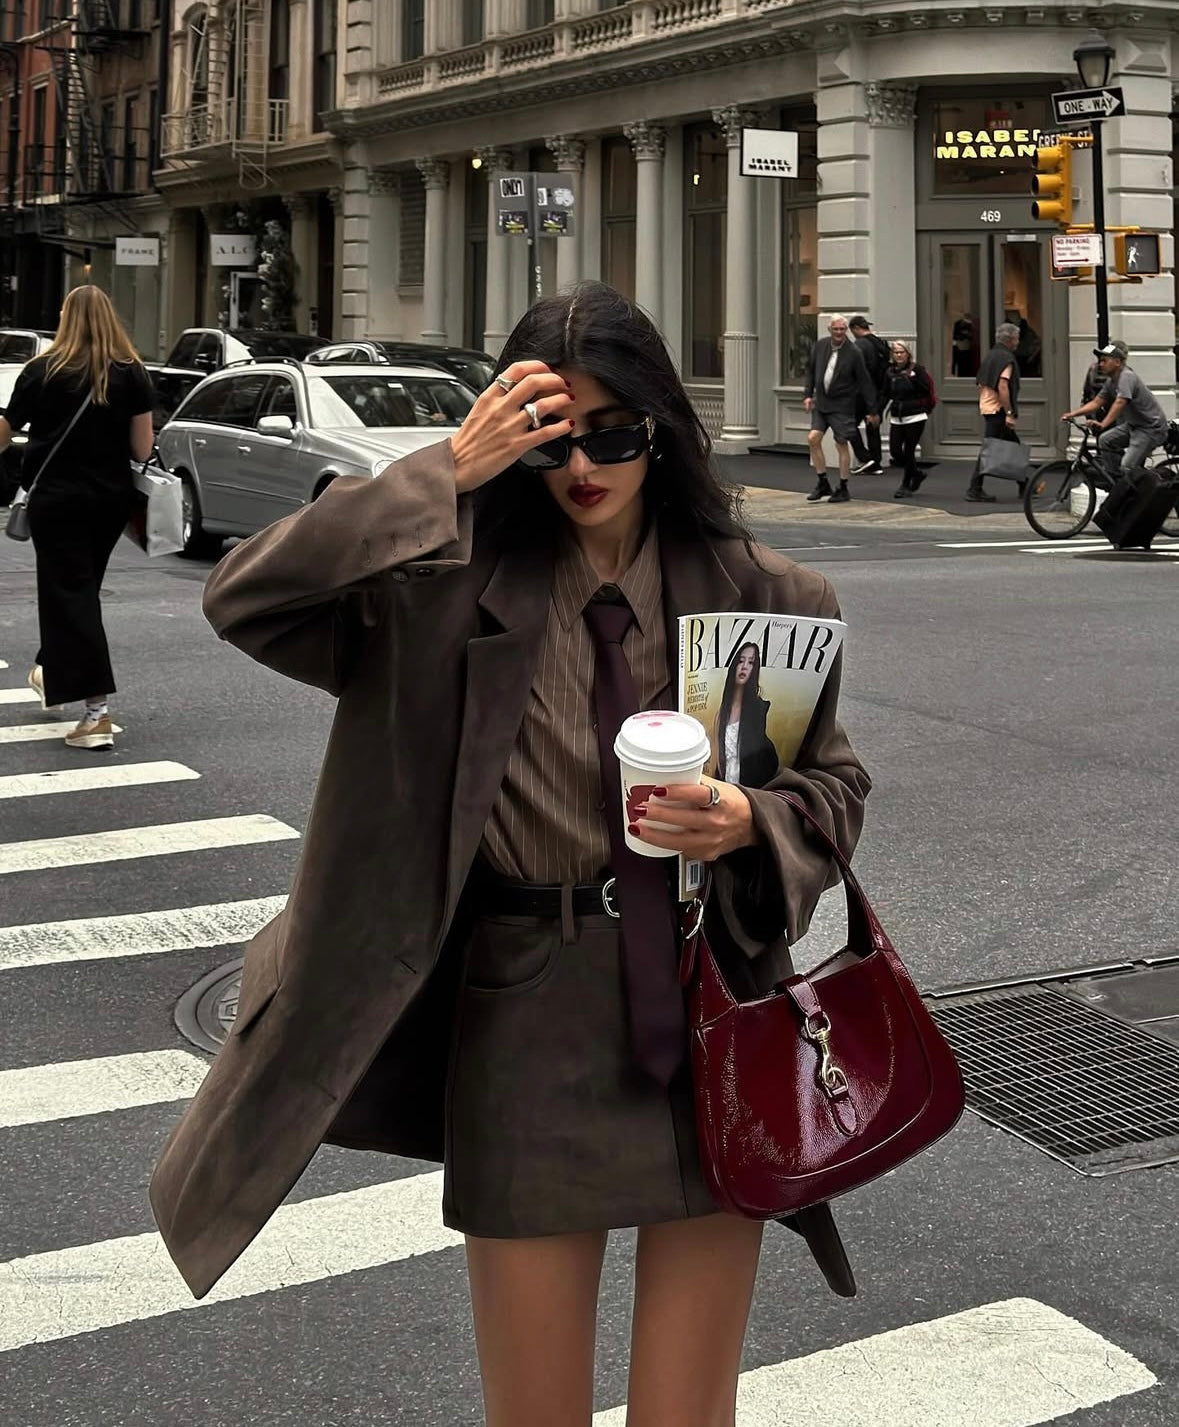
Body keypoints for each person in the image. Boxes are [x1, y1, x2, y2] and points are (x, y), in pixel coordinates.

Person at [149, 281, 871, 1427]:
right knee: (533, 1412)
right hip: (525, 1002)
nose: (585, 464)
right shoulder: (442, 591)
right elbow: (246, 595)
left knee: (690, 1412)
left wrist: (751, 822)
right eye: (552, 435)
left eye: (615, 432)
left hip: (710, 1008)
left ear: (662, 428)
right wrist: (447, 466)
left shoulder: (768, 597)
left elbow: (832, 787)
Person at [0, 285, 154, 749]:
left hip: (56, 501)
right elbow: (142, 448)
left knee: (71, 595)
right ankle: (51, 668)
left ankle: (96, 714)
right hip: (109, 503)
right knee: (79, 592)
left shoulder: (42, 372)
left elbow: (5, 432)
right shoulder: (132, 374)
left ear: (67, 318)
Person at [1061, 340, 1170, 482]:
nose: (1100, 364)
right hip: (1133, 425)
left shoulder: (1127, 376)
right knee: (1105, 440)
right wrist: (1072, 414)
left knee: (1127, 466)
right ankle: (1117, 483)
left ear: (1117, 362)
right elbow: (1096, 402)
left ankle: (1137, 493)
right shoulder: (1111, 381)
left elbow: (1120, 402)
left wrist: (1103, 424)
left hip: (1150, 428)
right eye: (1100, 361)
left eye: (1105, 360)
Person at [802, 313, 878, 504]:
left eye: (842, 329)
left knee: (841, 444)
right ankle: (822, 482)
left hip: (842, 406)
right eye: (835, 329)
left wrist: (872, 410)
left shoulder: (854, 352)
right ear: (830, 330)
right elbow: (811, 371)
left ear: (846, 331)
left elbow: (865, 381)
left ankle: (843, 487)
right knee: (813, 438)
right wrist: (808, 395)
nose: (839, 333)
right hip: (821, 403)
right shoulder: (820, 346)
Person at [711, 642, 779, 788]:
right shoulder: (720, 715)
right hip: (725, 790)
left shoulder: (758, 709)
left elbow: (761, 761)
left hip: (752, 791)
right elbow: (717, 763)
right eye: (741, 661)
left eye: (751, 663)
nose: (744, 667)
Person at [967, 320, 1021, 503]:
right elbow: (1003, 386)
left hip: (988, 406)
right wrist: (1009, 413)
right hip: (997, 410)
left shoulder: (991, 355)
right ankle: (974, 488)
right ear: (1011, 339)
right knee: (990, 449)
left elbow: (982, 381)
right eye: (1017, 338)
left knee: (1013, 446)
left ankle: (1026, 484)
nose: (1018, 342)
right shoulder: (1006, 358)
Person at [879, 341, 936, 500]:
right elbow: (885, 393)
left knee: (909, 450)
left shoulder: (917, 370)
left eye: (901, 352)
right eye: (896, 352)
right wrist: (876, 411)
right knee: (895, 451)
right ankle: (916, 473)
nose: (898, 355)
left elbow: (925, 390)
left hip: (915, 415)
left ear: (908, 354)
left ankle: (905, 484)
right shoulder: (889, 372)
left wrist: (911, 380)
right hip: (897, 415)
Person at [848, 315, 889, 477]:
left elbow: (857, 372)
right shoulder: (880, 343)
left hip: (863, 392)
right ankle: (875, 462)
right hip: (881, 392)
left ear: (856, 328)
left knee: (848, 423)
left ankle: (865, 458)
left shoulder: (859, 345)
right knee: (873, 426)